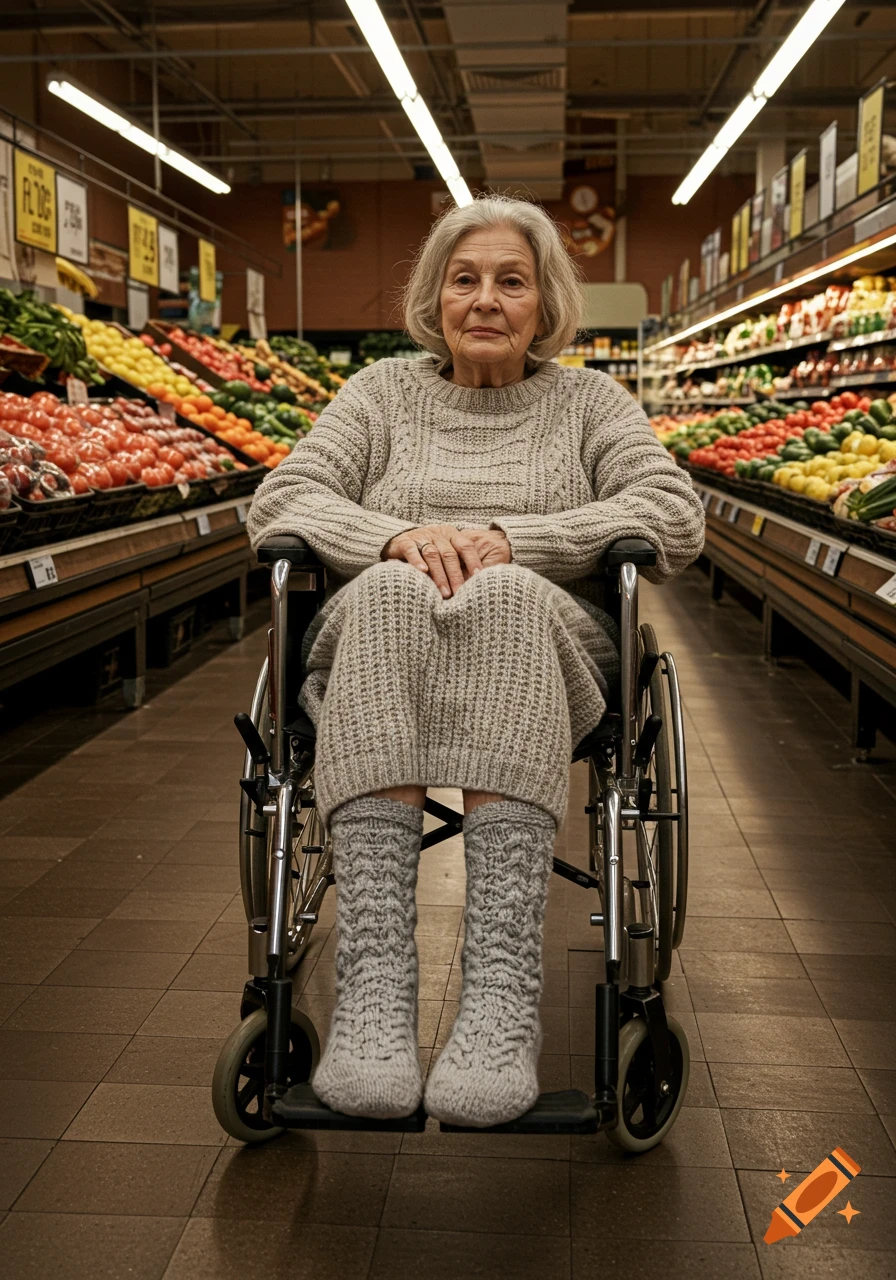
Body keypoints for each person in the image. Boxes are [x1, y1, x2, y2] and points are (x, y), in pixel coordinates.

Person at [248, 194, 705, 1127]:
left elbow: (673, 511)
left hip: (542, 640)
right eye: (466, 280)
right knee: (387, 593)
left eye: (511, 281)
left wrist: (514, 540)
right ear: (435, 298)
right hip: (383, 629)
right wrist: (395, 539)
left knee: (496, 594)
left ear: (545, 305)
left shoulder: (589, 402)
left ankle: (500, 995)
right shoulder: (378, 395)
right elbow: (283, 497)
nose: (486, 300)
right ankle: (375, 995)